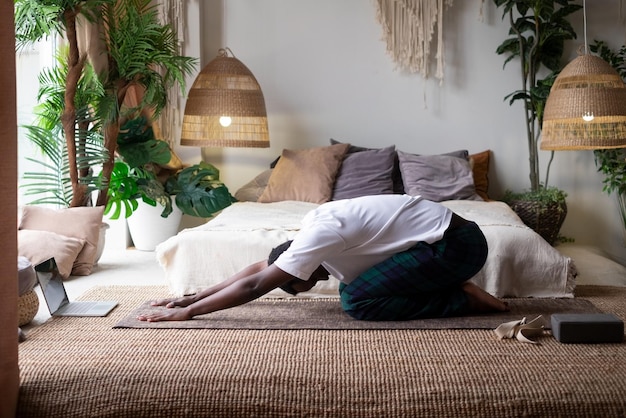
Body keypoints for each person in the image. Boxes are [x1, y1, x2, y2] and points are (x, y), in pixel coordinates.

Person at [138, 194, 508, 322]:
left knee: (357, 298)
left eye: (295, 283)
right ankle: (450, 285)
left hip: (458, 245)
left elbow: (255, 284)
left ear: (304, 267)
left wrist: (186, 314)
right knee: (357, 287)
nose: (304, 286)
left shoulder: (320, 236)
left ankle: (461, 297)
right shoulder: (311, 235)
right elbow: (257, 268)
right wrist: (193, 296)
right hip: (440, 242)